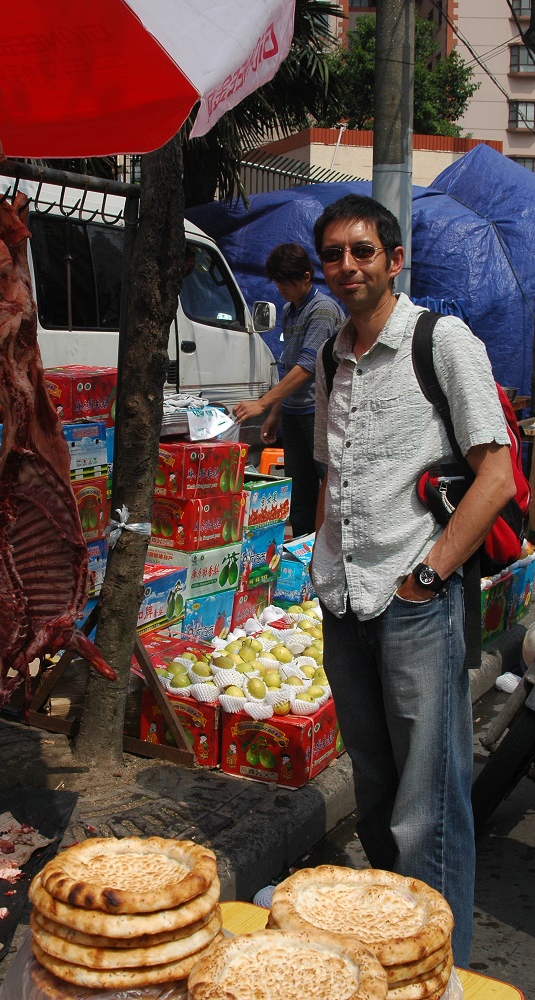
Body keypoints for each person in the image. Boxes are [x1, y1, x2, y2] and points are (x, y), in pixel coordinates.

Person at [310, 194, 516, 968]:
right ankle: (392, 951)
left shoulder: (442, 340)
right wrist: (322, 564)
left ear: (393, 261)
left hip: (415, 604)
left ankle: (440, 970)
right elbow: (332, 470)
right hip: (345, 601)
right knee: (375, 791)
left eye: (362, 251)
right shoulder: (331, 353)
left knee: (428, 807)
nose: (347, 266)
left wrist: (427, 577)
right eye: (334, 254)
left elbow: (495, 473)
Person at [233, 243, 344, 537]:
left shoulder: (322, 310)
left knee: (331, 485)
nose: (281, 288)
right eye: (278, 282)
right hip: (294, 412)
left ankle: (334, 548)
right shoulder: (289, 310)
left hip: (319, 411)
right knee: (300, 490)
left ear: (306, 277)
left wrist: (262, 403)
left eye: (286, 282)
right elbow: (290, 365)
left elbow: (308, 366)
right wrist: (274, 414)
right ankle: (305, 549)